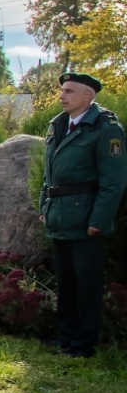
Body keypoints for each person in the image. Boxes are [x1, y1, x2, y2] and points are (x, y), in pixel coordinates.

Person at [40, 72, 127, 358]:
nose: (62, 96)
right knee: (66, 282)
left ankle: (84, 343)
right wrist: (45, 208)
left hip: (85, 218)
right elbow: (48, 174)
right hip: (60, 216)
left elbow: (113, 181)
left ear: (88, 96)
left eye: (69, 91)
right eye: (62, 90)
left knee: (87, 285)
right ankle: (65, 337)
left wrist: (98, 220)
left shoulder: (105, 128)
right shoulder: (58, 124)